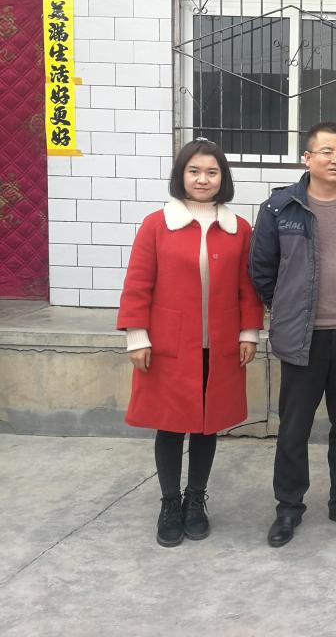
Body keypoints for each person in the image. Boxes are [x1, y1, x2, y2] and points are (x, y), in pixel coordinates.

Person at [118, 137, 264, 547]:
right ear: (181, 175)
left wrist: (249, 332)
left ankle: (196, 499)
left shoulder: (238, 229)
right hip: (168, 345)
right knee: (170, 424)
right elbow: (138, 283)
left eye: (212, 172)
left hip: (219, 345)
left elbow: (247, 288)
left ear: (223, 178)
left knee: (207, 425)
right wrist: (136, 336)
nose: (203, 179)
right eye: (194, 171)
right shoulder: (156, 225)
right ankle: (169, 503)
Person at [249, 122, 336, 548]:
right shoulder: (280, 208)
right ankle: (288, 508)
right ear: (307, 158)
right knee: (294, 428)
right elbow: (261, 269)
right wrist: (288, 305)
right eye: (327, 151)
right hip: (301, 337)